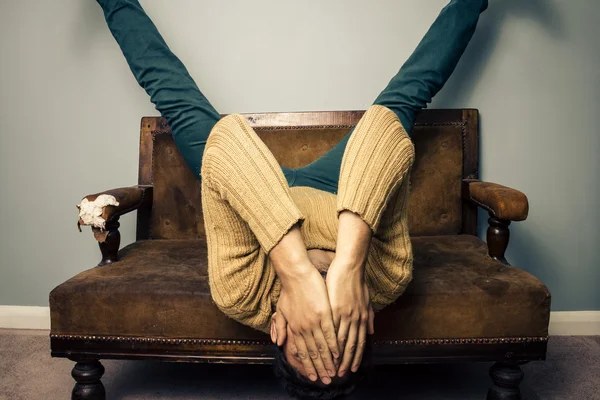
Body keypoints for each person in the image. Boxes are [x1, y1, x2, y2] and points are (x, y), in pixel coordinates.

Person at [95, 0, 488, 398]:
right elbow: (384, 127)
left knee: (172, 93)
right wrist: (349, 266)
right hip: (338, 188)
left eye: (310, 333)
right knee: (409, 94)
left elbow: (229, 138)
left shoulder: (241, 294)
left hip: (256, 187)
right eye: (338, 331)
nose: (322, 316)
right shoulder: (386, 279)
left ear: (279, 328)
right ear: (365, 321)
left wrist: (296, 273)